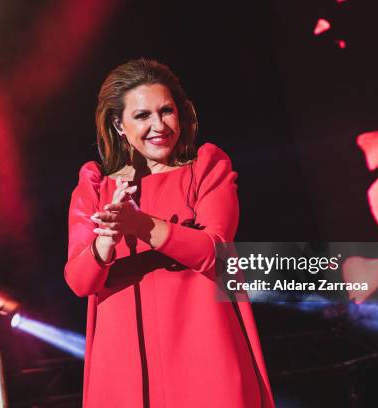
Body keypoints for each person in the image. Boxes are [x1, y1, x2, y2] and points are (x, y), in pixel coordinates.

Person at [64, 58, 274, 407]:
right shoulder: (95, 187)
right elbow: (79, 281)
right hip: (124, 362)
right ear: (118, 124)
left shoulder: (207, 168)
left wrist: (141, 225)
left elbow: (215, 251)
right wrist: (106, 239)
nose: (158, 125)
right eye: (142, 115)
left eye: (166, 111)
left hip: (205, 350)